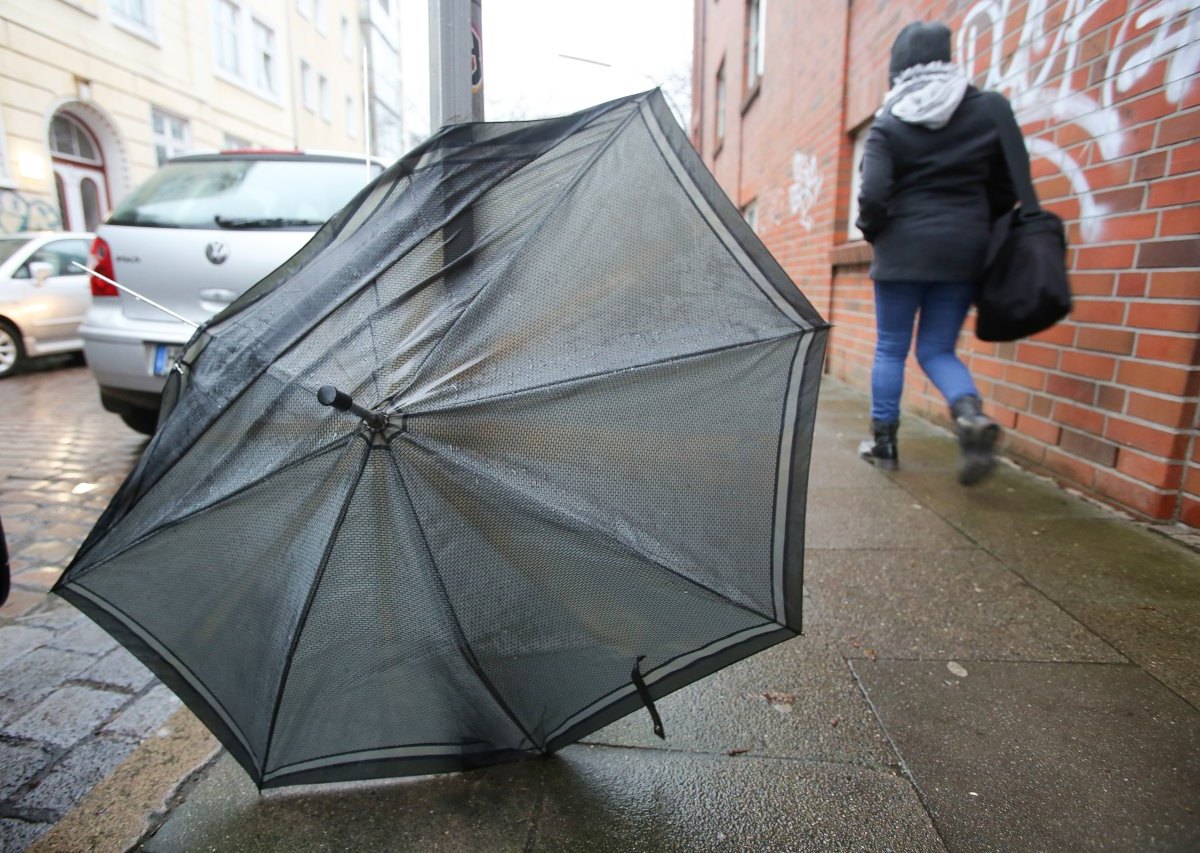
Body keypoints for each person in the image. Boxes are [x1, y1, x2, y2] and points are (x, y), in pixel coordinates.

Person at [856, 21, 1017, 486]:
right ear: (948, 58)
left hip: (902, 249)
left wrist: (875, 234)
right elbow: (1005, 187)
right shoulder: (988, 110)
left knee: (890, 347)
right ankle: (969, 418)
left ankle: (884, 443)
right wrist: (970, 224)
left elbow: (872, 195)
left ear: (899, 67)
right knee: (937, 348)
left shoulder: (890, 120)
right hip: (964, 251)